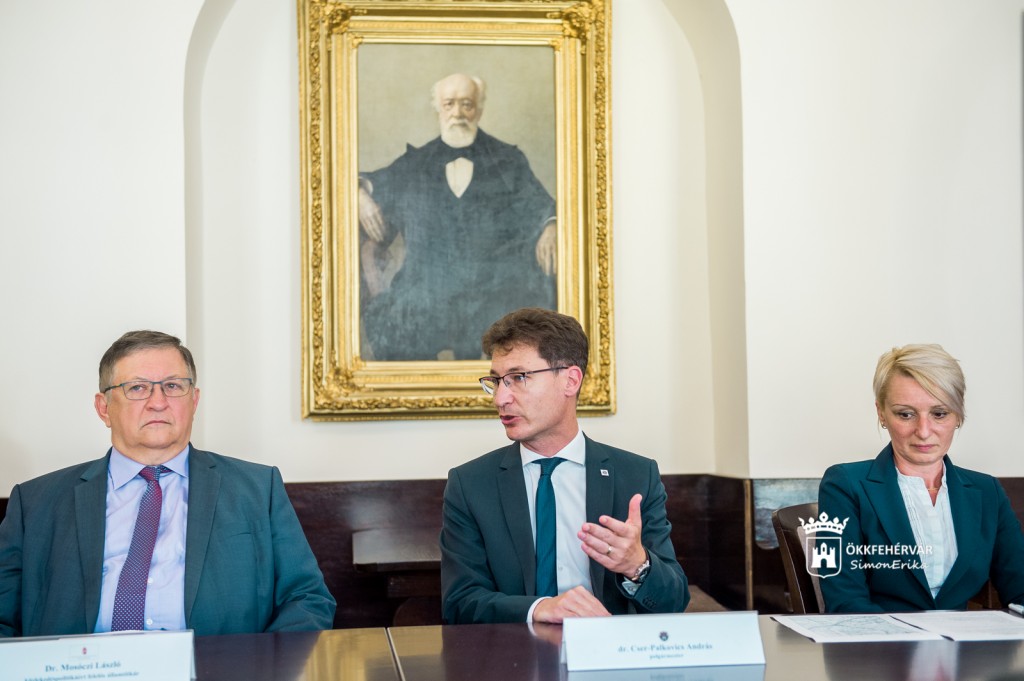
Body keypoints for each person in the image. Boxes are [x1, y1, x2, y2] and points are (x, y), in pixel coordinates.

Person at [0, 330, 336, 637]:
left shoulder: (258, 489)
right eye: (137, 388)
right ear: (104, 408)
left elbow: (307, 598)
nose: (158, 402)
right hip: (81, 670)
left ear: (194, 400)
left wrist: (260, 667)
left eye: (173, 386)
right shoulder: (35, 504)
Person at [440, 308, 690, 624]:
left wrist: (637, 565)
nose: (500, 398)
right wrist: (539, 608)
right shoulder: (470, 484)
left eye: (518, 378)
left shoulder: (636, 476)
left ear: (570, 381)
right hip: (513, 650)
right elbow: (459, 604)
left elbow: (674, 602)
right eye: (496, 381)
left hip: (606, 649)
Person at [359, 73, 557, 361]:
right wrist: (359, 195)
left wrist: (551, 227)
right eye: (449, 104)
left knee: (531, 326)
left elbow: (541, 204)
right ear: (438, 109)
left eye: (467, 104)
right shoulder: (415, 162)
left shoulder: (507, 159)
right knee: (396, 326)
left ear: (479, 109)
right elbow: (372, 182)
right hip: (427, 289)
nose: (458, 113)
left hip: (492, 288)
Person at [818, 343, 1024, 612]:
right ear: (881, 413)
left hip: (964, 639)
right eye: (906, 414)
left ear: (958, 415)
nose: (924, 431)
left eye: (939, 414)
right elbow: (845, 602)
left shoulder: (987, 491)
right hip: (878, 639)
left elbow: (1019, 588)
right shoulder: (844, 485)